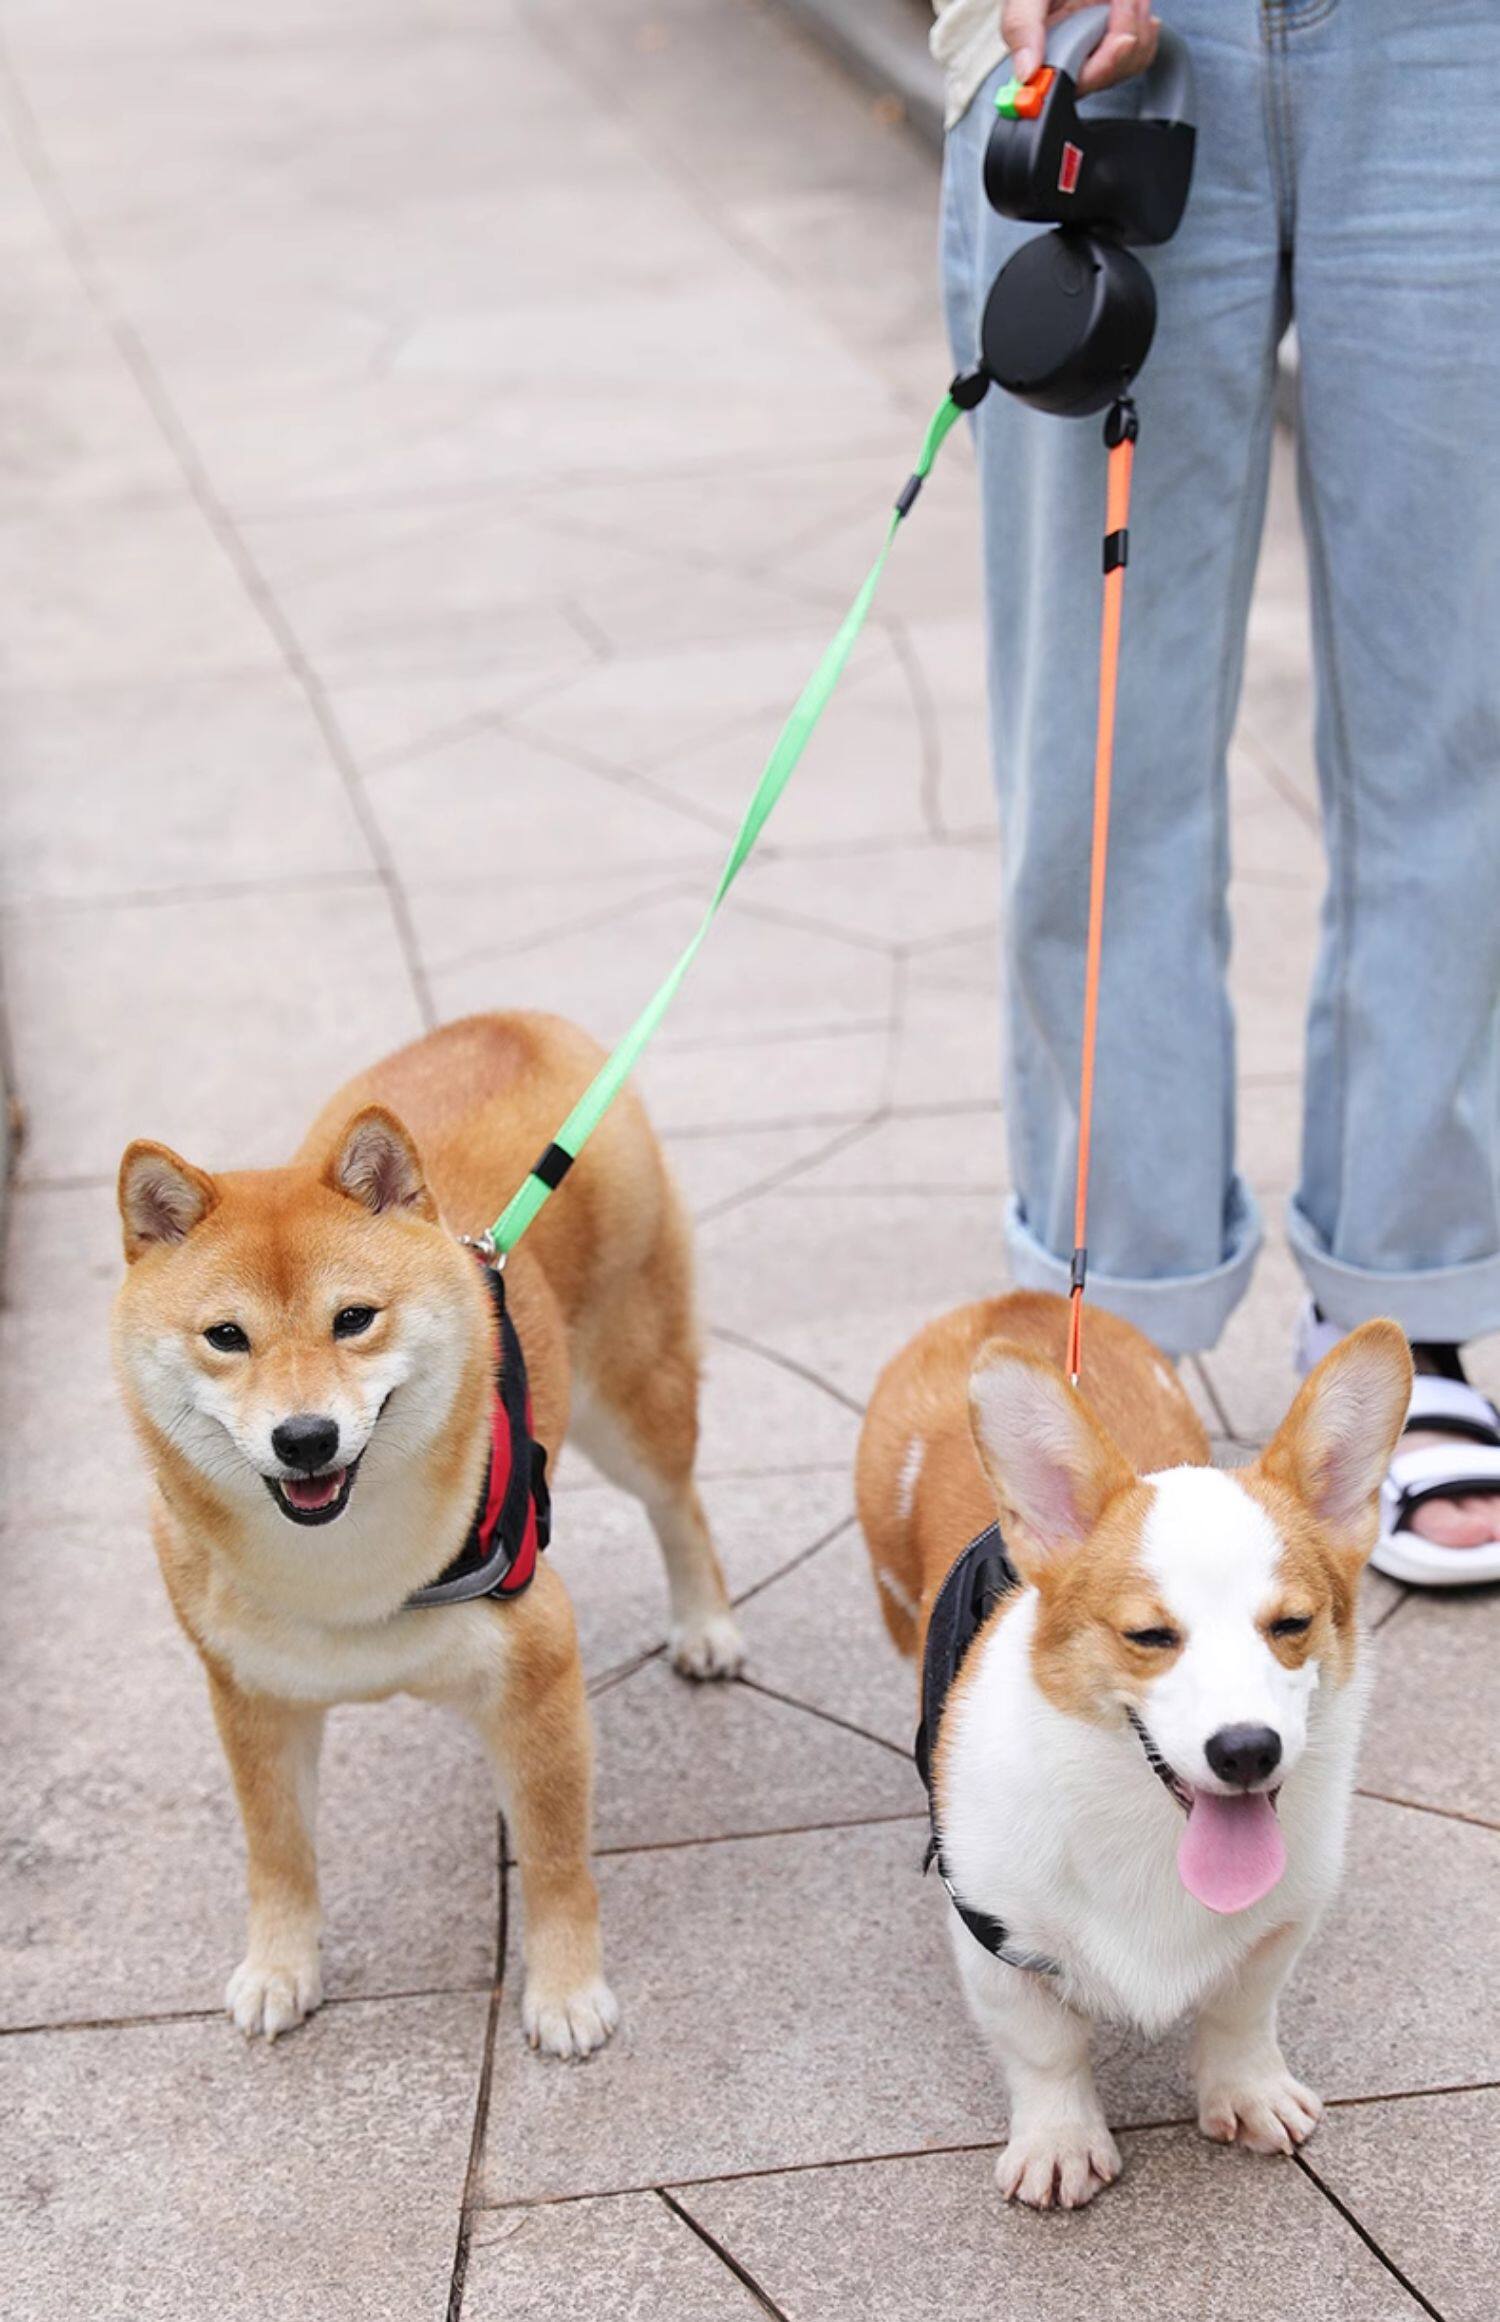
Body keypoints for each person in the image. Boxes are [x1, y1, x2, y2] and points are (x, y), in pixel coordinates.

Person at [932, 0, 1500, 1583]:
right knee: (1095, 750)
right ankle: (1116, 1331)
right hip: (1114, 36)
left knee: (1458, 728)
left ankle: (1409, 1318)